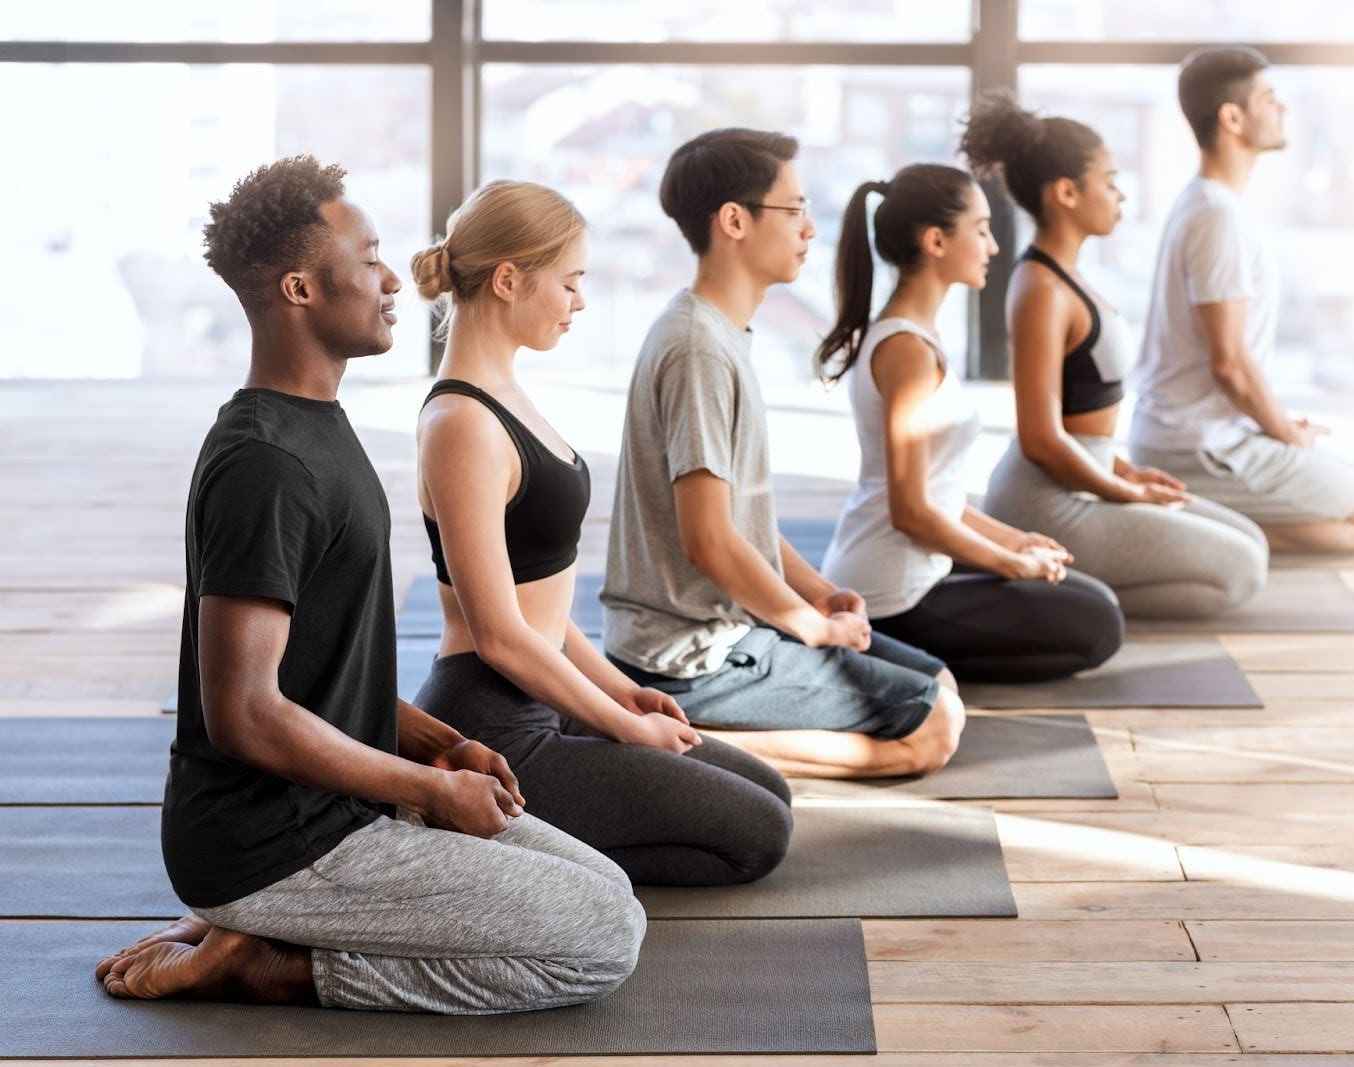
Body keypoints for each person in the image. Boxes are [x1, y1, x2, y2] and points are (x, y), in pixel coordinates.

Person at [95, 157, 644, 1014]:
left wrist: (432, 744)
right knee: (604, 938)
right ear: (301, 287)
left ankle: (266, 930)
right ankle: (271, 962)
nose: (395, 278)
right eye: (372, 255)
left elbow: (320, 669)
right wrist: (428, 791)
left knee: (605, 887)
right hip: (271, 845)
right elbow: (243, 711)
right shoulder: (265, 463)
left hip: (349, 808)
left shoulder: (320, 426)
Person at [408, 179, 792, 886]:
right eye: (571, 282)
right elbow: (499, 633)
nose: (580, 302)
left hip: (549, 692)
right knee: (757, 835)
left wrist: (621, 692)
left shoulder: (506, 392)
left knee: (773, 794)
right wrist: (625, 728)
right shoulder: (461, 425)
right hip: (497, 729)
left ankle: (538, 845)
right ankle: (492, 849)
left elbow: (543, 611)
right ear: (507, 280)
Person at [600, 128, 965, 780]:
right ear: (734, 220)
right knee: (935, 725)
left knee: (940, 681)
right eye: (793, 210)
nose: (810, 229)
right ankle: (683, 739)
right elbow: (708, 540)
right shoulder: (696, 347)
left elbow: (744, 524)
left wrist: (820, 596)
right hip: (687, 656)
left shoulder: (722, 332)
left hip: (732, 630)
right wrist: (805, 626)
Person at [959, 93, 1270, 618]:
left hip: (1086, 479)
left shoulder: (1068, 278)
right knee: (1239, 572)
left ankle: (1073, 590)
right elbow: (1040, 437)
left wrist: (1128, 473)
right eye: (1109, 181)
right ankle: (1057, 597)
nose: (1120, 195)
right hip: (1046, 502)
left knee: (1251, 543)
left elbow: (1082, 425)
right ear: (1066, 193)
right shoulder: (1039, 288)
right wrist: (1125, 496)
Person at [813, 162, 1124, 679]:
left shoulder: (914, 338)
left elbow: (939, 498)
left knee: (1090, 599)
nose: (994, 247)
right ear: (936, 241)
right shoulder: (906, 350)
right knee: (1098, 624)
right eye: (980, 230)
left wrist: (1013, 540)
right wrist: (1009, 564)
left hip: (909, 571)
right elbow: (911, 511)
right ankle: (893, 663)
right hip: (894, 594)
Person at [1129, 46, 1354, 554]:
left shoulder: (1208, 205)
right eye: (1270, 99)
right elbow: (1229, 364)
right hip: (1195, 449)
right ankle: (1204, 527)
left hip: (1203, 436)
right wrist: (1285, 438)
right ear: (1231, 118)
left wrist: (1272, 423)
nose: (1284, 109)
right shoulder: (1216, 217)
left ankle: (1203, 521)